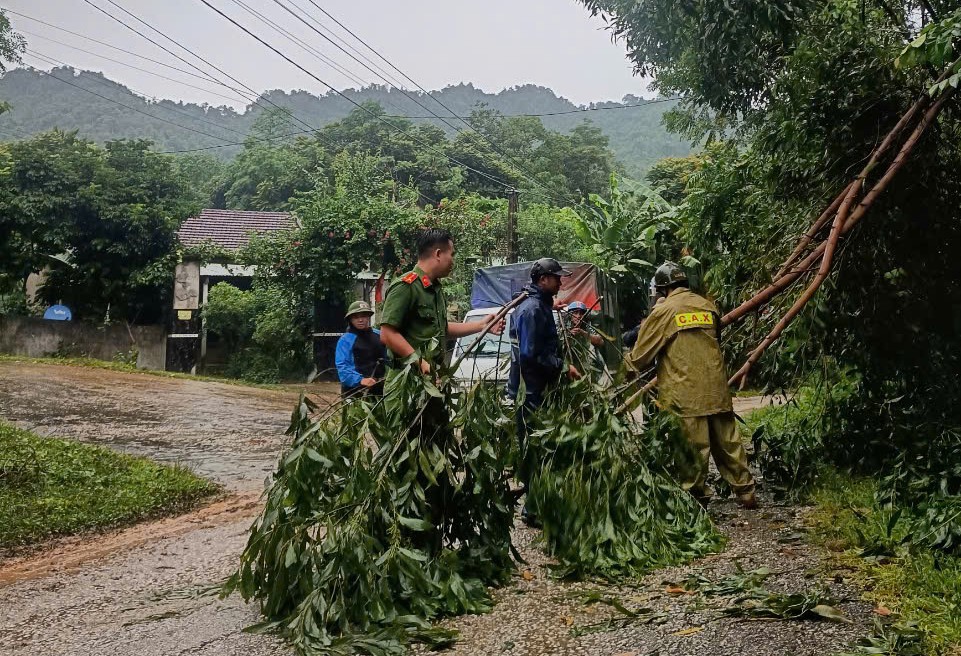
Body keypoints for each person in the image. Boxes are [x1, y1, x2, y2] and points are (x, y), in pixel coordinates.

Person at [627, 261, 758, 509]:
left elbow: (640, 356)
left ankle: (697, 499)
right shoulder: (706, 305)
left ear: (662, 289)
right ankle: (746, 492)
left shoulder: (664, 312)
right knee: (728, 443)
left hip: (685, 392)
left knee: (694, 448)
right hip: (716, 388)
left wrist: (624, 371)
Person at [513, 258, 582, 523]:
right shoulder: (531, 309)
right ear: (543, 280)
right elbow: (530, 354)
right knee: (535, 448)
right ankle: (533, 509)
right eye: (557, 278)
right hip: (531, 393)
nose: (561, 282)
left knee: (544, 447)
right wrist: (562, 367)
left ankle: (540, 503)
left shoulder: (541, 305)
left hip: (539, 389)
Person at [379, 228, 504, 376]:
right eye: (451, 255)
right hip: (407, 383)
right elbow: (387, 334)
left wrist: (482, 325)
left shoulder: (435, 288)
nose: (453, 261)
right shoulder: (406, 286)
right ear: (438, 254)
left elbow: (441, 330)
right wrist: (418, 362)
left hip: (433, 378)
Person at [335, 300, 386, 398]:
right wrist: (360, 380)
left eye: (363, 316)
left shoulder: (380, 335)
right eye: (356, 317)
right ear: (350, 319)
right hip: (354, 391)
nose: (360, 320)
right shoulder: (345, 340)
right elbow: (342, 367)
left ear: (368, 317)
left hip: (380, 389)